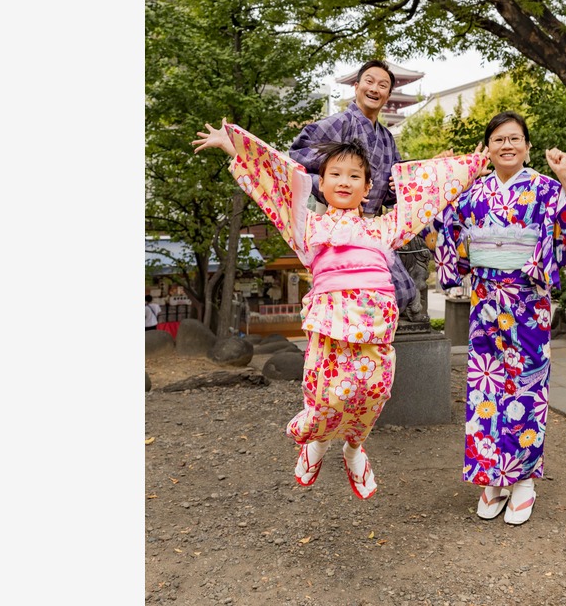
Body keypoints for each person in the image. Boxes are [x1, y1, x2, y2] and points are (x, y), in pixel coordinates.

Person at [193, 118, 487, 500]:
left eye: (354, 175)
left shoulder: (384, 228)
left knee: (374, 391)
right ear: (323, 182)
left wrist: (464, 168)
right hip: (329, 325)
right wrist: (235, 149)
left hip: (374, 328)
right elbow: (273, 190)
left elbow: (425, 197)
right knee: (328, 395)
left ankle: (353, 448)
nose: (344, 181)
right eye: (335, 174)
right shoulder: (308, 228)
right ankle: (315, 444)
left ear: (367, 188)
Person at [433, 111, 566, 525]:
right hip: (486, 302)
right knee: (484, 389)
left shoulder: (545, 189)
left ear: (527, 146)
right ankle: (492, 477)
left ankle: (523, 478)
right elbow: (445, 230)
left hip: (528, 304)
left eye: (515, 139)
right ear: (487, 149)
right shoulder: (473, 193)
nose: (506, 146)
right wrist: (444, 179)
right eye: (498, 140)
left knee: (526, 386)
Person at [288, 60, 419, 312]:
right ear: (356, 86)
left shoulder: (387, 137)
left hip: (372, 226)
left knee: (401, 290)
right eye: (369, 81)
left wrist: (395, 186)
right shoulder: (340, 122)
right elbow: (297, 156)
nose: (375, 89)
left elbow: (395, 188)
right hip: (336, 223)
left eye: (383, 85)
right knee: (340, 290)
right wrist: (329, 184)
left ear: (388, 95)